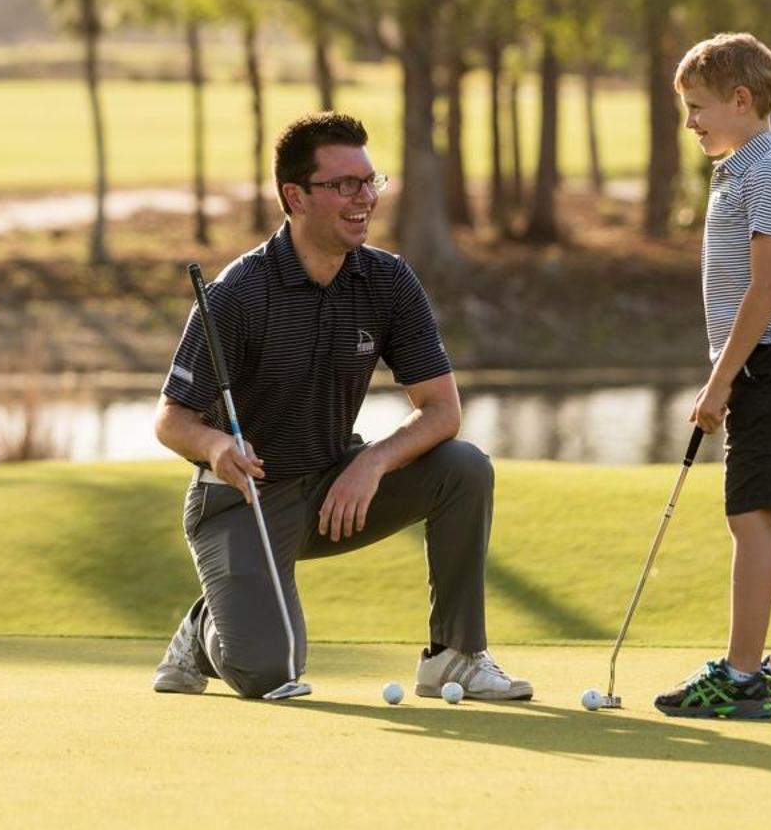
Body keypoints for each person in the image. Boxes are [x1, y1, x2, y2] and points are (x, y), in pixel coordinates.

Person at [150, 112, 531, 701]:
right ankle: (204, 631)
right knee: (269, 671)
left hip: (335, 486)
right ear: (295, 196)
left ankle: (453, 655)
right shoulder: (239, 293)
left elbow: (441, 411)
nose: (364, 199)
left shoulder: (387, 281)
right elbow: (172, 418)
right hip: (244, 497)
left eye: (370, 181)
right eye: (344, 185)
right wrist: (217, 445)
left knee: (464, 467)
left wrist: (372, 462)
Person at [657, 34, 771, 719]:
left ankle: (743, 674)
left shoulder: (768, 175)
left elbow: (763, 290)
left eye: (698, 107)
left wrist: (721, 380)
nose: (691, 121)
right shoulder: (744, 171)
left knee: (751, 514)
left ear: (741, 99)